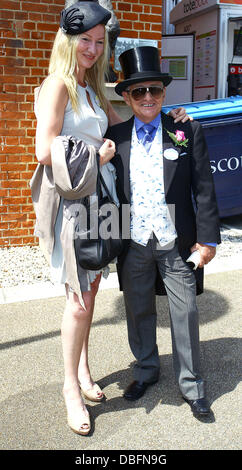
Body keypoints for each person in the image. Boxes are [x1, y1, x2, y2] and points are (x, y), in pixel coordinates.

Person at [32, 1, 189, 436]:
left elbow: (127, 124)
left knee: (94, 285)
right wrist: (95, 154)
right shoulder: (57, 85)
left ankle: (83, 372)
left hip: (100, 200)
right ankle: (69, 388)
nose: (92, 49)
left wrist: (173, 121)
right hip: (73, 202)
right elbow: (44, 151)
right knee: (79, 299)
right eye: (85, 39)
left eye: (100, 42)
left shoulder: (89, 87)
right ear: (69, 38)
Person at [106, 46, 221, 418]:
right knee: (138, 311)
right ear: (126, 96)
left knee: (185, 311)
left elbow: (204, 189)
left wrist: (207, 240)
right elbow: (103, 189)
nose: (148, 97)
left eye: (154, 89)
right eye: (138, 91)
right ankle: (146, 370)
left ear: (164, 92)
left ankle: (192, 386)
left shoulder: (185, 130)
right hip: (134, 240)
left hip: (176, 240)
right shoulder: (114, 137)